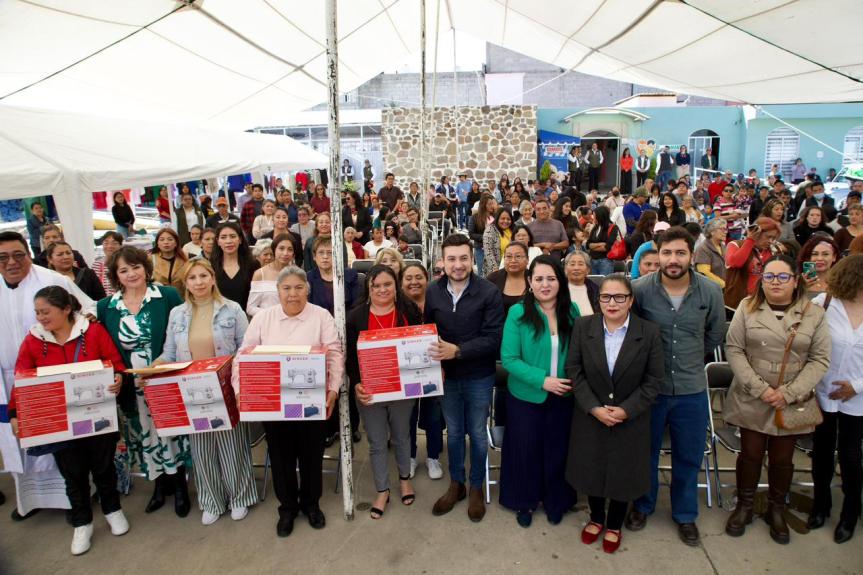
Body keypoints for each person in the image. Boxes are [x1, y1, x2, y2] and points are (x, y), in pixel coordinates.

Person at [626, 226, 725, 546]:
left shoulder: (710, 292)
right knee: (645, 452)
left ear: (691, 255)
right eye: (666, 253)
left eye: (680, 253)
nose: (673, 259)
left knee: (688, 455)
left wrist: (692, 357)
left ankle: (685, 514)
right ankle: (643, 505)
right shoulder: (639, 290)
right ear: (658, 254)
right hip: (650, 390)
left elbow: (714, 334)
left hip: (691, 387)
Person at [11, 286, 128, 555]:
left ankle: (113, 509)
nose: (41, 317)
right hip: (59, 421)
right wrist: (16, 414)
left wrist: (118, 377)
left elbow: (115, 362)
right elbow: (22, 379)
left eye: (46, 311)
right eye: (37, 312)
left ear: (66, 309)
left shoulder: (93, 332)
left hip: (97, 416)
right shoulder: (33, 340)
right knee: (71, 472)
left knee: (103, 467)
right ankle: (82, 522)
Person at [723, 255, 830, 544]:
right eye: (769, 277)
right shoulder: (747, 307)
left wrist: (788, 393)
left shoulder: (813, 314)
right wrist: (761, 389)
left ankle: (777, 508)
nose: (775, 283)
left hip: (792, 397)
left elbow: (820, 359)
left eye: (783, 277)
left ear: (796, 281)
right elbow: (734, 349)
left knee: (783, 457)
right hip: (752, 393)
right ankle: (745, 505)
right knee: (751, 453)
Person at [234, 266, 343, 537]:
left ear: (307, 289)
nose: (292, 294)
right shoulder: (262, 319)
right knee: (282, 458)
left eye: (298, 288)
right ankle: (287, 508)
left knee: (311, 455)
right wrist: (240, 390)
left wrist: (333, 388)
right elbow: (243, 357)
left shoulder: (321, 316)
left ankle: (311, 504)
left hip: (311, 402)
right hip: (274, 404)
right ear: (277, 291)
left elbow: (334, 354)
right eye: (286, 288)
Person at [0, 232, 96, 521]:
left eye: (18, 254)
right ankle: (29, 499)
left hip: (51, 376)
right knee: (17, 440)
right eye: (3, 257)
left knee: (62, 442)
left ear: (30, 254)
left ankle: (74, 501)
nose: (12, 262)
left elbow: (89, 308)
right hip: (8, 380)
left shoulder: (52, 280)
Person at [154, 259, 258, 526]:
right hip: (190, 391)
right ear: (185, 283)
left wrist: (238, 384)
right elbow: (169, 352)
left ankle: (239, 497)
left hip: (223, 387)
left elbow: (245, 351)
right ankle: (211, 500)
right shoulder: (177, 313)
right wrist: (155, 367)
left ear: (213, 278)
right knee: (201, 448)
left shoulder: (231, 309)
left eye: (203, 276)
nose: (198, 282)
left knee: (232, 446)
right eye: (192, 278)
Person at [566, 274, 663, 553]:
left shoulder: (649, 332)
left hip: (629, 417)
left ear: (630, 300)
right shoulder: (584, 327)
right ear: (598, 300)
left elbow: (654, 380)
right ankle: (596, 518)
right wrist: (594, 408)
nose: (612, 303)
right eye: (606, 297)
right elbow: (575, 370)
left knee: (623, 471)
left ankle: (614, 524)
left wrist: (625, 410)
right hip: (591, 414)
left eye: (620, 297)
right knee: (592, 468)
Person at [96, 246, 191, 516]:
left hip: (164, 377)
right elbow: (105, 348)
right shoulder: (106, 306)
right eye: (123, 270)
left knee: (172, 429)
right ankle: (159, 484)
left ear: (145, 268)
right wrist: (117, 373)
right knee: (144, 432)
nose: (131, 274)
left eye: (135, 267)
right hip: (130, 384)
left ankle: (180, 485)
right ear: (115, 275)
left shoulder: (166, 295)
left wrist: (163, 367)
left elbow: (179, 334)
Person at [425, 234, 504, 522]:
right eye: (451, 259)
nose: (458, 265)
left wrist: (458, 350)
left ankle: (475, 486)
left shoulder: (489, 292)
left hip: (479, 375)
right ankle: (456, 483)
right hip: (446, 377)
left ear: (473, 259)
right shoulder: (433, 292)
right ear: (442, 262)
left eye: (463, 258)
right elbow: (426, 332)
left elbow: (495, 339)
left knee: (478, 433)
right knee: (455, 433)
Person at [500, 256, 579, 527]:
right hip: (526, 396)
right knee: (526, 451)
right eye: (539, 279)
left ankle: (556, 500)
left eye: (551, 278)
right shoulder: (518, 313)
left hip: (564, 395)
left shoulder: (572, 311)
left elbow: (579, 353)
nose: (545, 284)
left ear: (560, 281)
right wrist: (543, 380)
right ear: (530, 282)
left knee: (558, 450)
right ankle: (525, 501)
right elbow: (509, 359)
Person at [347, 265, 421, 519]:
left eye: (387, 284)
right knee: (377, 442)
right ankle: (382, 489)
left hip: (402, 389)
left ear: (396, 285)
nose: (382, 290)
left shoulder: (409, 311)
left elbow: (419, 347)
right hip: (370, 391)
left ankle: (404, 479)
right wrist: (356, 382)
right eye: (376, 285)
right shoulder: (356, 317)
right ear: (368, 288)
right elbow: (350, 357)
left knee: (402, 437)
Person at [807, 254, 863, 543]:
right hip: (823, 393)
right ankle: (821, 505)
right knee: (822, 453)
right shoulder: (824, 305)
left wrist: (856, 386)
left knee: (852, 457)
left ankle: (850, 513)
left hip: (858, 399)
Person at [401, 263, 445, 480]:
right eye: (408, 278)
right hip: (406, 371)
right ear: (401, 282)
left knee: (433, 414)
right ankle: (409, 457)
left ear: (427, 279)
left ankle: (433, 456)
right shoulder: (396, 307)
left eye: (419, 277)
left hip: (433, 368)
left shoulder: (437, 304)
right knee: (407, 415)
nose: (414, 282)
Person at [725, 217, 783, 306]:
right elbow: (735, 263)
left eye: (773, 238)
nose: (771, 241)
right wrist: (750, 240)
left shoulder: (774, 250)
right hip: (739, 302)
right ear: (757, 232)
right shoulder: (735, 245)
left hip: (765, 301)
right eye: (768, 237)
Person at [211, 221, 260, 312]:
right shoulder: (210, 265)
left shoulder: (253, 265)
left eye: (233, 236)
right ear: (218, 241)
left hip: (246, 318)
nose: (228, 241)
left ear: (240, 239)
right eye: (223, 237)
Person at [307, 236, 359, 317]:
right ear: (314, 256)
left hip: (347, 324)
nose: (325, 257)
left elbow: (356, 307)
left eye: (330, 253)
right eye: (321, 252)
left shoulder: (351, 275)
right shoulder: (308, 278)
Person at [248, 233, 296, 317]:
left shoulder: (297, 273)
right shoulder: (260, 274)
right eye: (281, 248)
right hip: (267, 323)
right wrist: (273, 315)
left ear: (293, 254)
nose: (285, 253)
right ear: (274, 250)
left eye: (290, 249)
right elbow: (250, 308)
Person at [486, 242, 529, 316]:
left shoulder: (535, 278)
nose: (513, 261)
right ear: (504, 259)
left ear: (527, 259)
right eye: (509, 256)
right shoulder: (492, 279)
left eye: (518, 256)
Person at [151, 227, 188, 295]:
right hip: (160, 299)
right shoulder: (151, 259)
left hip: (181, 299)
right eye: (162, 240)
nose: (166, 242)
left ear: (176, 243)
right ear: (157, 244)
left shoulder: (185, 259)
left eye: (170, 239)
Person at [586, 205, 620, 276]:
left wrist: (593, 246)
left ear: (600, 216)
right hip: (593, 260)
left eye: (594, 216)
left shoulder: (613, 228)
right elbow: (588, 244)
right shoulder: (596, 227)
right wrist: (599, 244)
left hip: (605, 261)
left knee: (604, 283)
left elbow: (607, 247)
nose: (593, 217)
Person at [694, 218, 727, 288]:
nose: (725, 232)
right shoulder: (703, 249)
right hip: (709, 290)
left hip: (723, 290)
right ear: (712, 232)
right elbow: (704, 273)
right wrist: (723, 284)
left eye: (726, 229)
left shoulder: (723, 246)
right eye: (722, 229)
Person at [564, 251, 599, 316]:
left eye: (580, 264)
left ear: (588, 269)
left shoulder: (596, 290)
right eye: (572, 264)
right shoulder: (558, 288)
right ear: (565, 269)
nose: (576, 268)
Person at [468, 194, 496, 273]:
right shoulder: (474, 217)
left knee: (494, 271)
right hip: (480, 248)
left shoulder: (496, 216)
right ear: (484, 205)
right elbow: (471, 234)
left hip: (494, 248)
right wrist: (485, 237)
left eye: (492, 204)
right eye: (489, 204)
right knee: (481, 271)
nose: (492, 206)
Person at [482, 208, 513, 277]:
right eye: (503, 218)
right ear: (497, 218)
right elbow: (488, 251)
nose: (506, 221)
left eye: (508, 219)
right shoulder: (490, 230)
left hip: (510, 269)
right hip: (495, 271)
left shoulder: (512, 230)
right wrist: (495, 269)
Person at [92, 231, 123, 296]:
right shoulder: (97, 264)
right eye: (106, 243)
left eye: (114, 243)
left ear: (120, 246)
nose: (109, 246)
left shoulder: (124, 264)